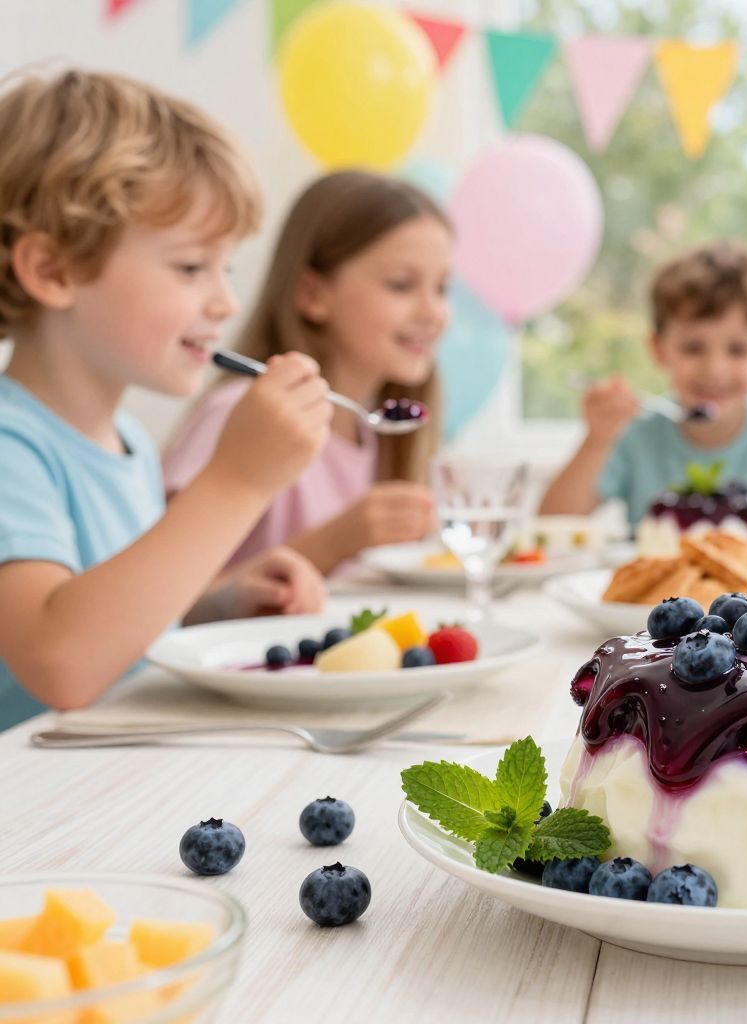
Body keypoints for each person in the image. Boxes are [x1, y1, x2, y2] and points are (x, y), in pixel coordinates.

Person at [0, 70, 332, 728]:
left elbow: (116, 620)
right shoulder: (11, 444)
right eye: (190, 267)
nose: (226, 301)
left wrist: (220, 600)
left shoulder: (127, 441)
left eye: (226, 267)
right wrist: (236, 483)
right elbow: (61, 661)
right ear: (53, 271)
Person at [162, 171, 447, 575]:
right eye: (402, 285)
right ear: (314, 294)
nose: (434, 313)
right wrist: (335, 542)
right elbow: (164, 601)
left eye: (442, 288)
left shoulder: (376, 432)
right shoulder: (240, 413)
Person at [540, 240, 747, 539]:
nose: (714, 369)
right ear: (659, 349)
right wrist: (598, 439)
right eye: (693, 347)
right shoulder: (635, 432)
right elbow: (551, 523)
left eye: (738, 350)